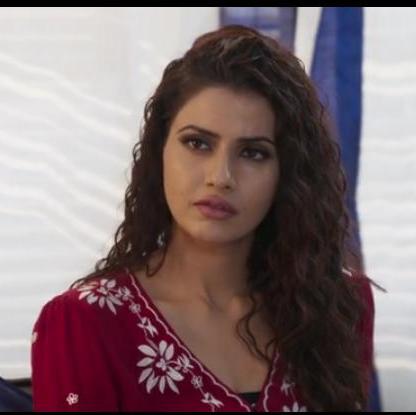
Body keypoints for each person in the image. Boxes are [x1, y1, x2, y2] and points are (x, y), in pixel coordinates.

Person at [31, 25, 376, 412]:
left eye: (253, 153)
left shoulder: (338, 306)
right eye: (197, 143)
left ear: (288, 173)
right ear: (159, 151)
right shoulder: (84, 324)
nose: (220, 177)